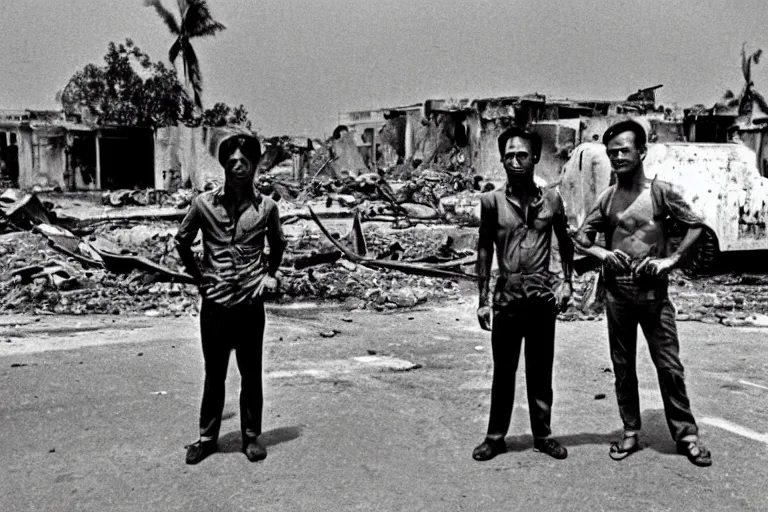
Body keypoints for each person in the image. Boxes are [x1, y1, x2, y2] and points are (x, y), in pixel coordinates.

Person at [574, 119, 712, 467]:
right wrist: (603, 254)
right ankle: (631, 430)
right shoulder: (607, 199)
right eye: (612, 152)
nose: (618, 156)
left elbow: (697, 225)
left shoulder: (660, 192)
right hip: (617, 296)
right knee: (623, 367)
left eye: (624, 150)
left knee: (669, 368)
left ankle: (687, 435)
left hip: (654, 298)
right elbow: (581, 238)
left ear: (641, 152)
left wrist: (671, 260)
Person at [175, 132, 286, 465]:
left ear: (254, 166)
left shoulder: (267, 208)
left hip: (251, 306)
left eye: (245, 161)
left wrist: (269, 274)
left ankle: (251, 437)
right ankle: (207, 438)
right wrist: (199, 279)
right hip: (215, 306)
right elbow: (182, 241)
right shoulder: (203, 204)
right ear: (224, 164)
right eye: (232, 161)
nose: (238, 166)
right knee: (214, 374)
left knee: (251, 374)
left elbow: (278, 245)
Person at [472, 126, 574, 461]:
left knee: (540, 371)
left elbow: (565, 241)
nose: (515, 161)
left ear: (535, 158)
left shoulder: (553, 201)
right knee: (504, 372)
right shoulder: (491, 202)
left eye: (522, 155)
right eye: (509, 155)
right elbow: (484, 249)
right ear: (502, 159)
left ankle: (543, 435)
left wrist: (566, 281)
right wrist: (483, 301)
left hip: (541, 300)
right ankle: (495, 436)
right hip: (507, 299)